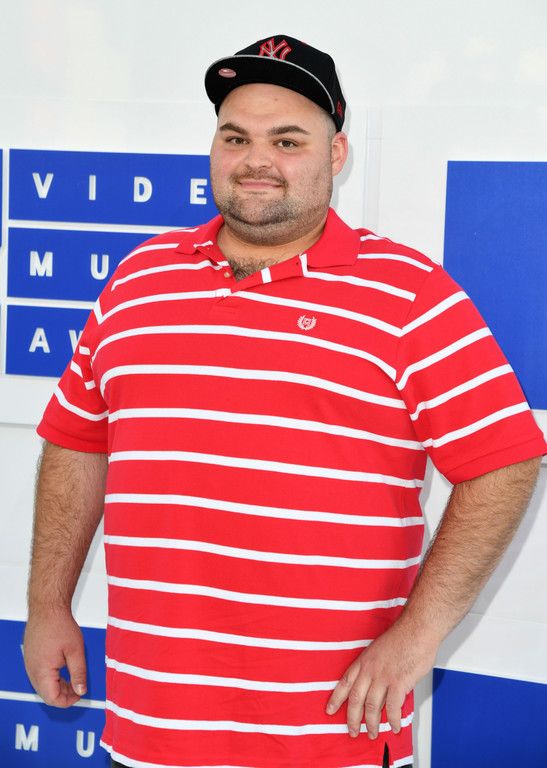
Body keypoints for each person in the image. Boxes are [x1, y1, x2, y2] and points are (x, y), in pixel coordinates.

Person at [23, 34, 545, 768]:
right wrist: (47, 605)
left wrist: (419, 635)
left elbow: (505, 460)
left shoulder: (407, 294)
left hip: (330, 734)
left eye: (288, 140)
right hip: (151, 724)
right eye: (235, 137)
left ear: (337, 155)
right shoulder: (139, 280)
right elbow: (78, 442)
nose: (256, 160)